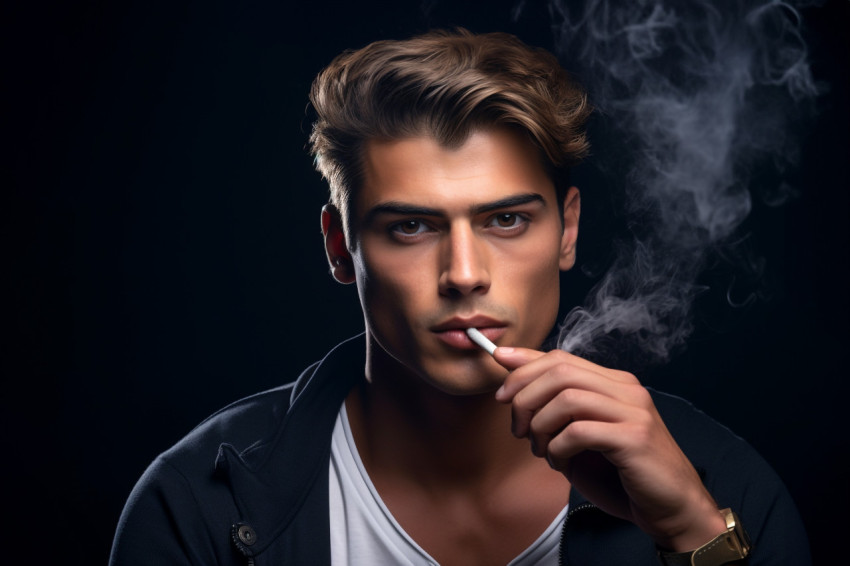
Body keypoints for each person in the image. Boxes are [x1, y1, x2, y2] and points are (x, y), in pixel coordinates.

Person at [109, 29, 810, 565]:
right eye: (410, 226)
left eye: (505, 220)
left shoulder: (719, 488)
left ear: (566, 230)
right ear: (338, 246)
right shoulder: (197, 506)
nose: (465, 273)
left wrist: (692, 535)